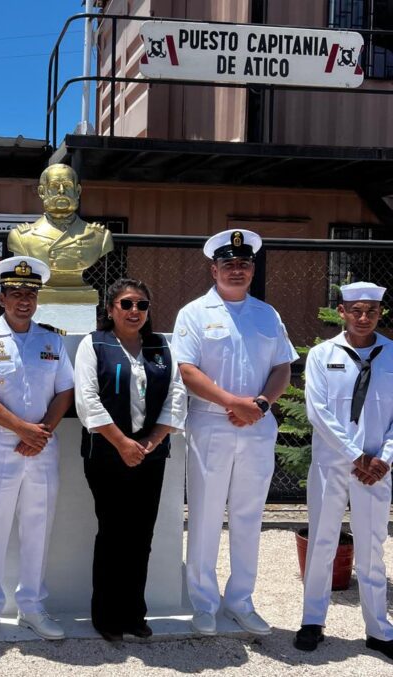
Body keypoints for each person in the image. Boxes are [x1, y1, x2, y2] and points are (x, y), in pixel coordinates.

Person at [171, 229, 297, 636]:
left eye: (244, 264)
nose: (237, 270)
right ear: (215, 269)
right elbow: (187, 370)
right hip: (211, 423)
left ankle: (241, 600)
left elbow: (282, 367)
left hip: (257, 424)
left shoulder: (267, 314)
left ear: (252, 269)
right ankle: (204, 603)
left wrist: (260, 404)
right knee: (206, 514)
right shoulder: (194, 313)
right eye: (229, 264)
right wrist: (232, 402)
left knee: (248, 515)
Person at [0, 256, 74, 646]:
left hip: (42, 444)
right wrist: (21, 429)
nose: (24, 301)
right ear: (3, 298)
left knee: (38, 526)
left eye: (30, 294)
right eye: (16, 294)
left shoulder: (51, 340)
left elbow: (65, 391)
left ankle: (32, 606)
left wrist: (41, 432)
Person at [75, 278, 186, 641]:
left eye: (141, 305)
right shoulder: (95, 344)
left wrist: (152, 440)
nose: (134, 311)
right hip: (107, 454)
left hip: (151, 455)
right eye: (126, 304)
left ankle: (133, 613)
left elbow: (176, 395)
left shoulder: (161, 346)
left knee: (141, 535)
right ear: (111, 310)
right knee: (112, 533)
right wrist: (123, 443)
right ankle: (106, 617)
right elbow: (87, 399)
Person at [294, 281, 393, 660]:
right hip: (331, 465)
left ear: (380, 313)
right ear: (342, 312)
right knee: (322, 540)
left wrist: (384, 457)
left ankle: (378, 629)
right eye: (356, 310)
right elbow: (317, 412)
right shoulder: (322, 355)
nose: (363, 317)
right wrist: (355, 455)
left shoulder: (392, 354)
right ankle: (312, 621)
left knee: (372, 546)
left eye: (371, 311)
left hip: (377, 469)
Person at [7, 163, 113, 297]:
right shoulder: (21, 237)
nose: (61, 191)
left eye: (67, 185)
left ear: (77, 191)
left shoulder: (99, 236)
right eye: (54, 186)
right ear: (42, 192)